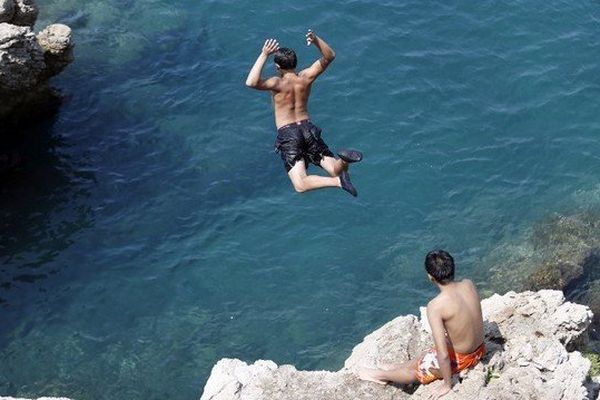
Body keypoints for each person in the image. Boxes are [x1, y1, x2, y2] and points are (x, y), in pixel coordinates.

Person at [245, 29, 362, 196]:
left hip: (289, 133)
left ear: (278, 66)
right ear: (295, 64)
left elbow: (251, 82)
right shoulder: (306, 77)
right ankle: (343, 161)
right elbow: (330, 56)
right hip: (308, 129)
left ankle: (338, 182)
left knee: (300, 184)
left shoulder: (277, 83)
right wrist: (315, 40)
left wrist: (264, 54)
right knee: (336, 169)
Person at [358, 250, 486, 399]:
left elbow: (443, 354)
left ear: (430, 277)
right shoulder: (468, 283)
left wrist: (447, 384)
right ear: (452, 268)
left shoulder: (436, 306)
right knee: (428, 353)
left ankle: (381, 376)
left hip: (465, 359)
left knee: (420, 370)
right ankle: (398, 367)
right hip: (480, 349)